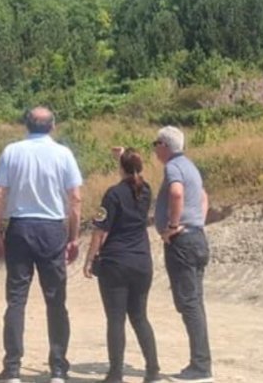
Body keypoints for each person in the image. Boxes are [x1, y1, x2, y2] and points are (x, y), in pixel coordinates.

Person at [0, 106, 83, 383]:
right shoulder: (63, 154)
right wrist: (74, 236)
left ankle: (12, 368)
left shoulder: (12, 151)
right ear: (53, 126)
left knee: (16, 299)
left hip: (20, 226)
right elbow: (75, 199)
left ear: (26, 125)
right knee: (56, 300)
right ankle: (57, 368)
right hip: (52, 228)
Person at [83, 147, 160, 383]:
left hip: (116, 262)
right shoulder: (145, 191)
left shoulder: (113, 194)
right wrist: (125, 156)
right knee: (139, 317)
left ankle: (115, 373)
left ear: (120, 168)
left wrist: (89, 259)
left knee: (116, 319)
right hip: (141, 261)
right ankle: (153, 370)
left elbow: (100, 231)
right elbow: (133, 173)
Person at [152, 126, 212, 383]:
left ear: (165, 145)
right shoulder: (190, 165)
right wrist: (198, 220)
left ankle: (200, 367)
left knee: (188, 303)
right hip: (197, 237)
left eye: (156, 143)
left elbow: (177, 193)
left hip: (183, 242)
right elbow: (203, 196)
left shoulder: (173, 167)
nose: (154, 148)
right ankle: (201, 362)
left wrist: (173, 226)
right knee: (194, 302)